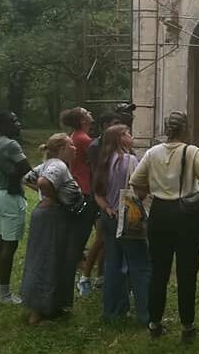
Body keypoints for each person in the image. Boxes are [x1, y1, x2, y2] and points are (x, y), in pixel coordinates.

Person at [129, 111, 199, 343]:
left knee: (159, 269)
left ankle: (155, 322)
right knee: (187, 270)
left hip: (160, 212)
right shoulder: (191, 151)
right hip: (185, 213)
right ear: (184, 128)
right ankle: (187, 325)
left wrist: (150, 194)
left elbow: (136, 182)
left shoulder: (152, 152)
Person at [20, 133, 84, 324]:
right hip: (52, 216)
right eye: (71, 145)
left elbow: (27, 178)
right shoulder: (58, 165)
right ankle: (39, 310)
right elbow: (42, 182)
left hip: (48, 215)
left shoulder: (48, 164)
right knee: (48, 259)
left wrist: (47, 195)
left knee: (51, 257)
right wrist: (52, 198)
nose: (75, 148)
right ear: (62, 149)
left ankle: (52, 305)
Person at [94, 124, 151, 325]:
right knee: (140, 266)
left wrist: (108, 208)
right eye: (127, 133)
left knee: (113, 264)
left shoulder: (103, 161)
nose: (131, 136)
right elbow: (140, 190)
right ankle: (146, 314)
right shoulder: (130, 161)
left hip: (109, 217)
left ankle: (113, 310)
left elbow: (97, 193)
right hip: (129, 217)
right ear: (120, 139)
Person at [0, 111, 33, 304]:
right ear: (2, 125)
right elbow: (26, 169)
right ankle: (5, 294)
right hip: (10, 197)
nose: (19, 124)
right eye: (13, 121)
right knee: (10, 244)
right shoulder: (11, 144)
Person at [82, 112, 123, 293]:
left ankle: (101, 276)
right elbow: (97, 175)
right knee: (101, 239)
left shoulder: (118, 149)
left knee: (108, 241)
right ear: (105, 125)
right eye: (114, 123)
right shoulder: (97, 146)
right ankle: (85, 277)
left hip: (115, 199)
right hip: (100, 198)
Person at [60, 106, 99, 295]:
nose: (91, 114)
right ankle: (77, 275)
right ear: (83, 119)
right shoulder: (84, 140)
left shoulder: (75, 136)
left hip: (79, 188)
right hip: (85, 190)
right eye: (87, 112)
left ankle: (86, 271)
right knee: (81, 235)